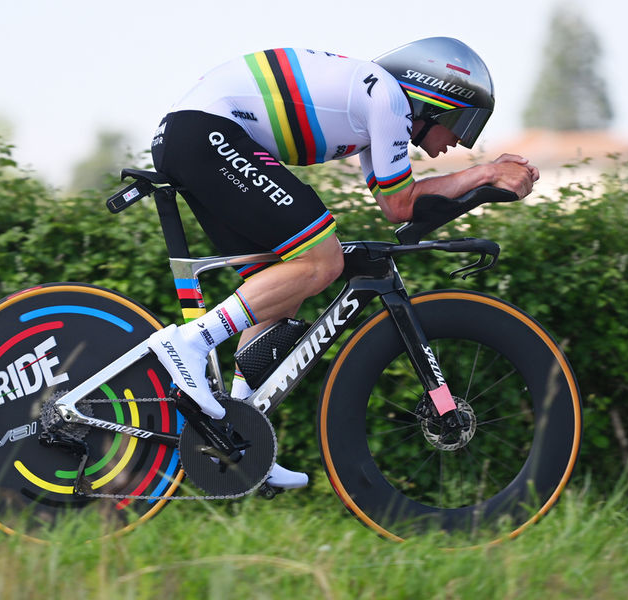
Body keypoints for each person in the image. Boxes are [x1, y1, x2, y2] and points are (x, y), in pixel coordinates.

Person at [147, 37, 539, 490]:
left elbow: (397, 209)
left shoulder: (376, 103)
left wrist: (480, 180)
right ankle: (190, 343)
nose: (457, 141)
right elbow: (403, 200)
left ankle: (240, 436)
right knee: (322, 261)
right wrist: (486, 172)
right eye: (460, 123)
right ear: (434, 100)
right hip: (206, 132)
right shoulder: (389, 98)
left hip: (197, 135)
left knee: (280, 291)